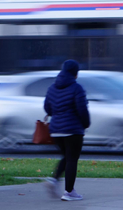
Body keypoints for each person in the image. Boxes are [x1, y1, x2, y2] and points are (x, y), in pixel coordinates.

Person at [44, 59, 90, 201]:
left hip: (56, 129)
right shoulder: (77, 88)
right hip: (73, 130)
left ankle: (53, 180)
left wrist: (57, 114)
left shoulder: (52, 87)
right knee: (72, 159)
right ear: (75, 73)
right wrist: (86, 124)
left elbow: (47, 108)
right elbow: (82, 110)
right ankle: (69, 192)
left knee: (67, 157)